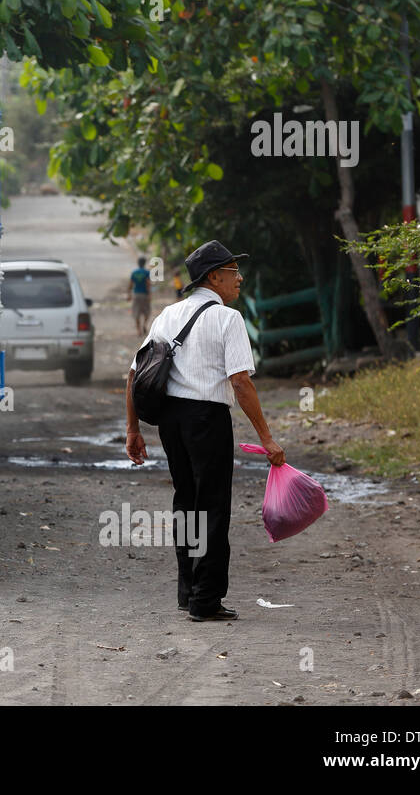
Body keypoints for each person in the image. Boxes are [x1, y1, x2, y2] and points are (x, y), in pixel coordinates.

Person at [123, 240, 286, 622]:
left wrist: (133, 429)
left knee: (187, 501)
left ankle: (188, 592)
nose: (239, 279)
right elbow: (241, 382)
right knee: (212, 506)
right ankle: (205, 600)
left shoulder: (167, 315)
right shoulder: (228, 319)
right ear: (214, 277)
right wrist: (266, 437)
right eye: (233, 272)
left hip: (171, 421)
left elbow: (134, 373)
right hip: (207, 419)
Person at [127, 256, 152, 335]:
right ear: (144, 263)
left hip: (136, 295)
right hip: (144, 295)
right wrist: (150, 294)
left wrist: (129, 294)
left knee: (136, 312)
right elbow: (148, 284)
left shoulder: (134, 272)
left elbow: (130, 284)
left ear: (138, 263)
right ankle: (144, 325)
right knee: (147, 312)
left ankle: (139, 330)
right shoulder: (147, 272)